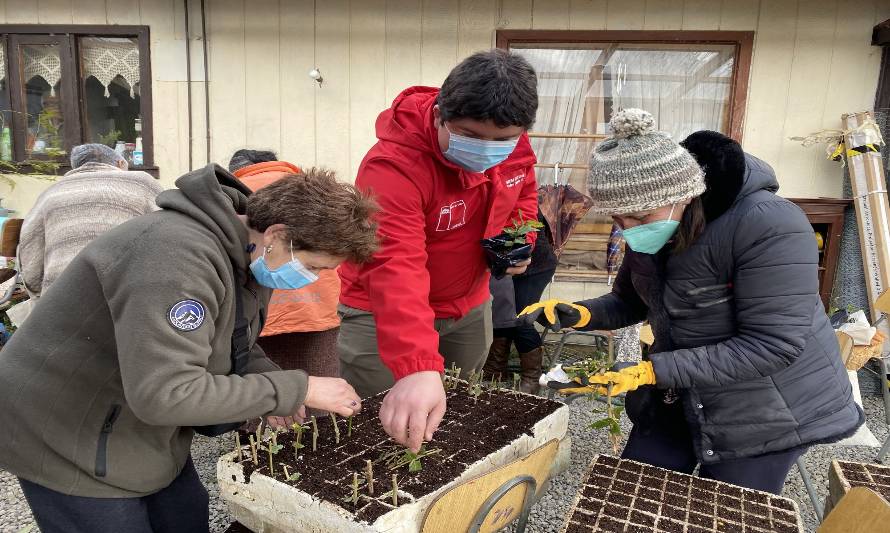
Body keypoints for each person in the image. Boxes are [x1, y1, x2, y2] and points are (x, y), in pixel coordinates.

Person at [0, 164, 376, 533]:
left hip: (135, 424)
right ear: (277, 232)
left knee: (185, 517)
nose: (309, 278)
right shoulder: (174, 259)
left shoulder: (250, 253)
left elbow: (232, 344)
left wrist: (272, 381)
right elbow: (165, 393)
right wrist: (300, 388)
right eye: (312, 265)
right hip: (68, 434)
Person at [519, 109, 863, 494]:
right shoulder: (652, 231)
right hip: (682, 389)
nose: (628, 229)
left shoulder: (769, 224)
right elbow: (631, 300)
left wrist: (651, 371)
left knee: (724, 509)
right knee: (637, 492)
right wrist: (583, 313)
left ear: (682, 195)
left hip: (766, 407)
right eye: (617, 218)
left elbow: (772, 344)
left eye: (639, 216)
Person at [337, 49, 540, 452]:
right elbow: (395, 265)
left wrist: (517, 244)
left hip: (468, 305)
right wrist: (416, 366)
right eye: (472, 136)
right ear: (438, 117)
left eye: (502, 140)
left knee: (455, 411)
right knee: (382, 424)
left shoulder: (511, 140)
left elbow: (523, 196)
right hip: (383, 313)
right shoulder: (392, 166)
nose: (488, 149)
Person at [230, 149, 342, 380]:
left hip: (256, 320)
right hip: (316, 315)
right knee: (320, 399)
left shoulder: (234, 192)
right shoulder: (311, 193)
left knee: (261, 394)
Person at [18, 143, 164, 299]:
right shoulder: (141, 182)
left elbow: (29, 249)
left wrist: (38, 292)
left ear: (76, 168)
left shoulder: (50, 193)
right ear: (120, 163)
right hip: (126, 296)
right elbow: (170, 229)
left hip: (62, 298)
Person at [484, 211, 557, 393]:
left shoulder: (519, 195)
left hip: (535, 266)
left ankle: (532, 378)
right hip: (505, 263)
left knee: (521, 317)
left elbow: (527, 228)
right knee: (501, 312)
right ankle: (496, 370)